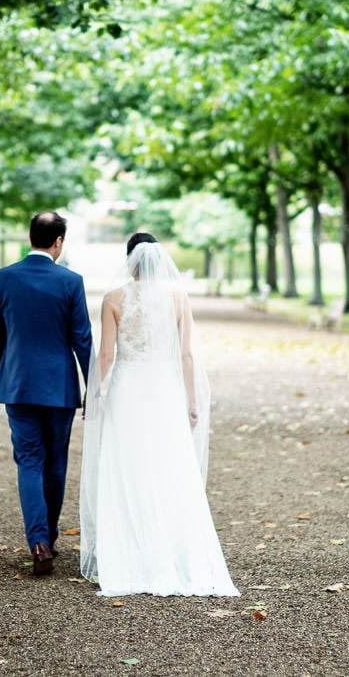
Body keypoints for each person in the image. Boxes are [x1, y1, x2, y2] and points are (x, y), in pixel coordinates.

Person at [80, 233, 239, 597]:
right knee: (169, 466)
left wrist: (96, 392)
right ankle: (173, 553)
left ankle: (130, 553)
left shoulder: (114, 298)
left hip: (128, 389)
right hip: (164, 390)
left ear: (129, 261)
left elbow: (106, 356)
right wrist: (191, 401)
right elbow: (186, 356)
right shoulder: (177, 298)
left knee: (128, 465)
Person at [0, 211, 92, 575]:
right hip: (59, 388)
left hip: (17, 385)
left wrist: (5, 376)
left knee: (29, 461)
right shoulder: (70, 281)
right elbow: (82, 338)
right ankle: (47, 536)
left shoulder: (3, 278)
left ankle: (38, 542)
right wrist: (92, 388)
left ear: (30, 236)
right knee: (56, 462)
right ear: (58, 242)